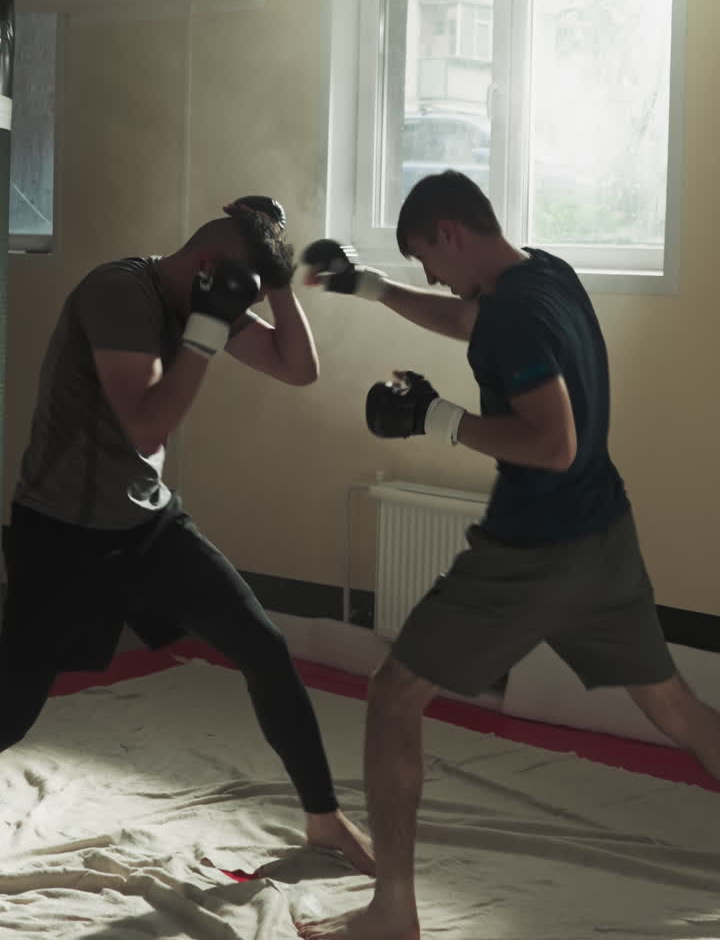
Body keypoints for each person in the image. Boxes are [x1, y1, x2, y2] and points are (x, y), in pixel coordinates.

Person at [299, 170, 720, 940]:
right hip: (605, 535)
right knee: (676, 709)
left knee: (394, 695)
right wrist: (371, 287)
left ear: (451, 232)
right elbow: (469, 323)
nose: (432, 277)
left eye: (428, 258)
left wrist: (437, 418)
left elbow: (551, 445)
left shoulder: (515, 318)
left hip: (534, 549)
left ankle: (393, 912)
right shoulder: (543, 274)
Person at [0, 195, 373, 875]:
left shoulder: (203, 300)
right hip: (64, 533)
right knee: (14, 706)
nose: (240, 310)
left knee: (263, 646)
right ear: (206, 267)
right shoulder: (120, 292)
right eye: (237, 292)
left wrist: (278, 276)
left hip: (147, 523)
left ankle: (324, 818)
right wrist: (208, 328)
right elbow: (146, 423)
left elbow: (298, 367)